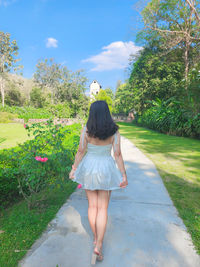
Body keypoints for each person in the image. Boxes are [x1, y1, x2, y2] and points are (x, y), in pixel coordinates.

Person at [69, 100, 128, 265]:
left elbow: (81, 151)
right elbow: (117, 154)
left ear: (92, 113)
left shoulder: (86, 130)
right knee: (103, 208)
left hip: (89, 169)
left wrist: (74, 169)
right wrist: (123, 175)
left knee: (92, 207)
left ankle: (95, 239)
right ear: (107, 112)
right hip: (106, 169)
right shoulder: (114, 132)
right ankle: (99, 244)